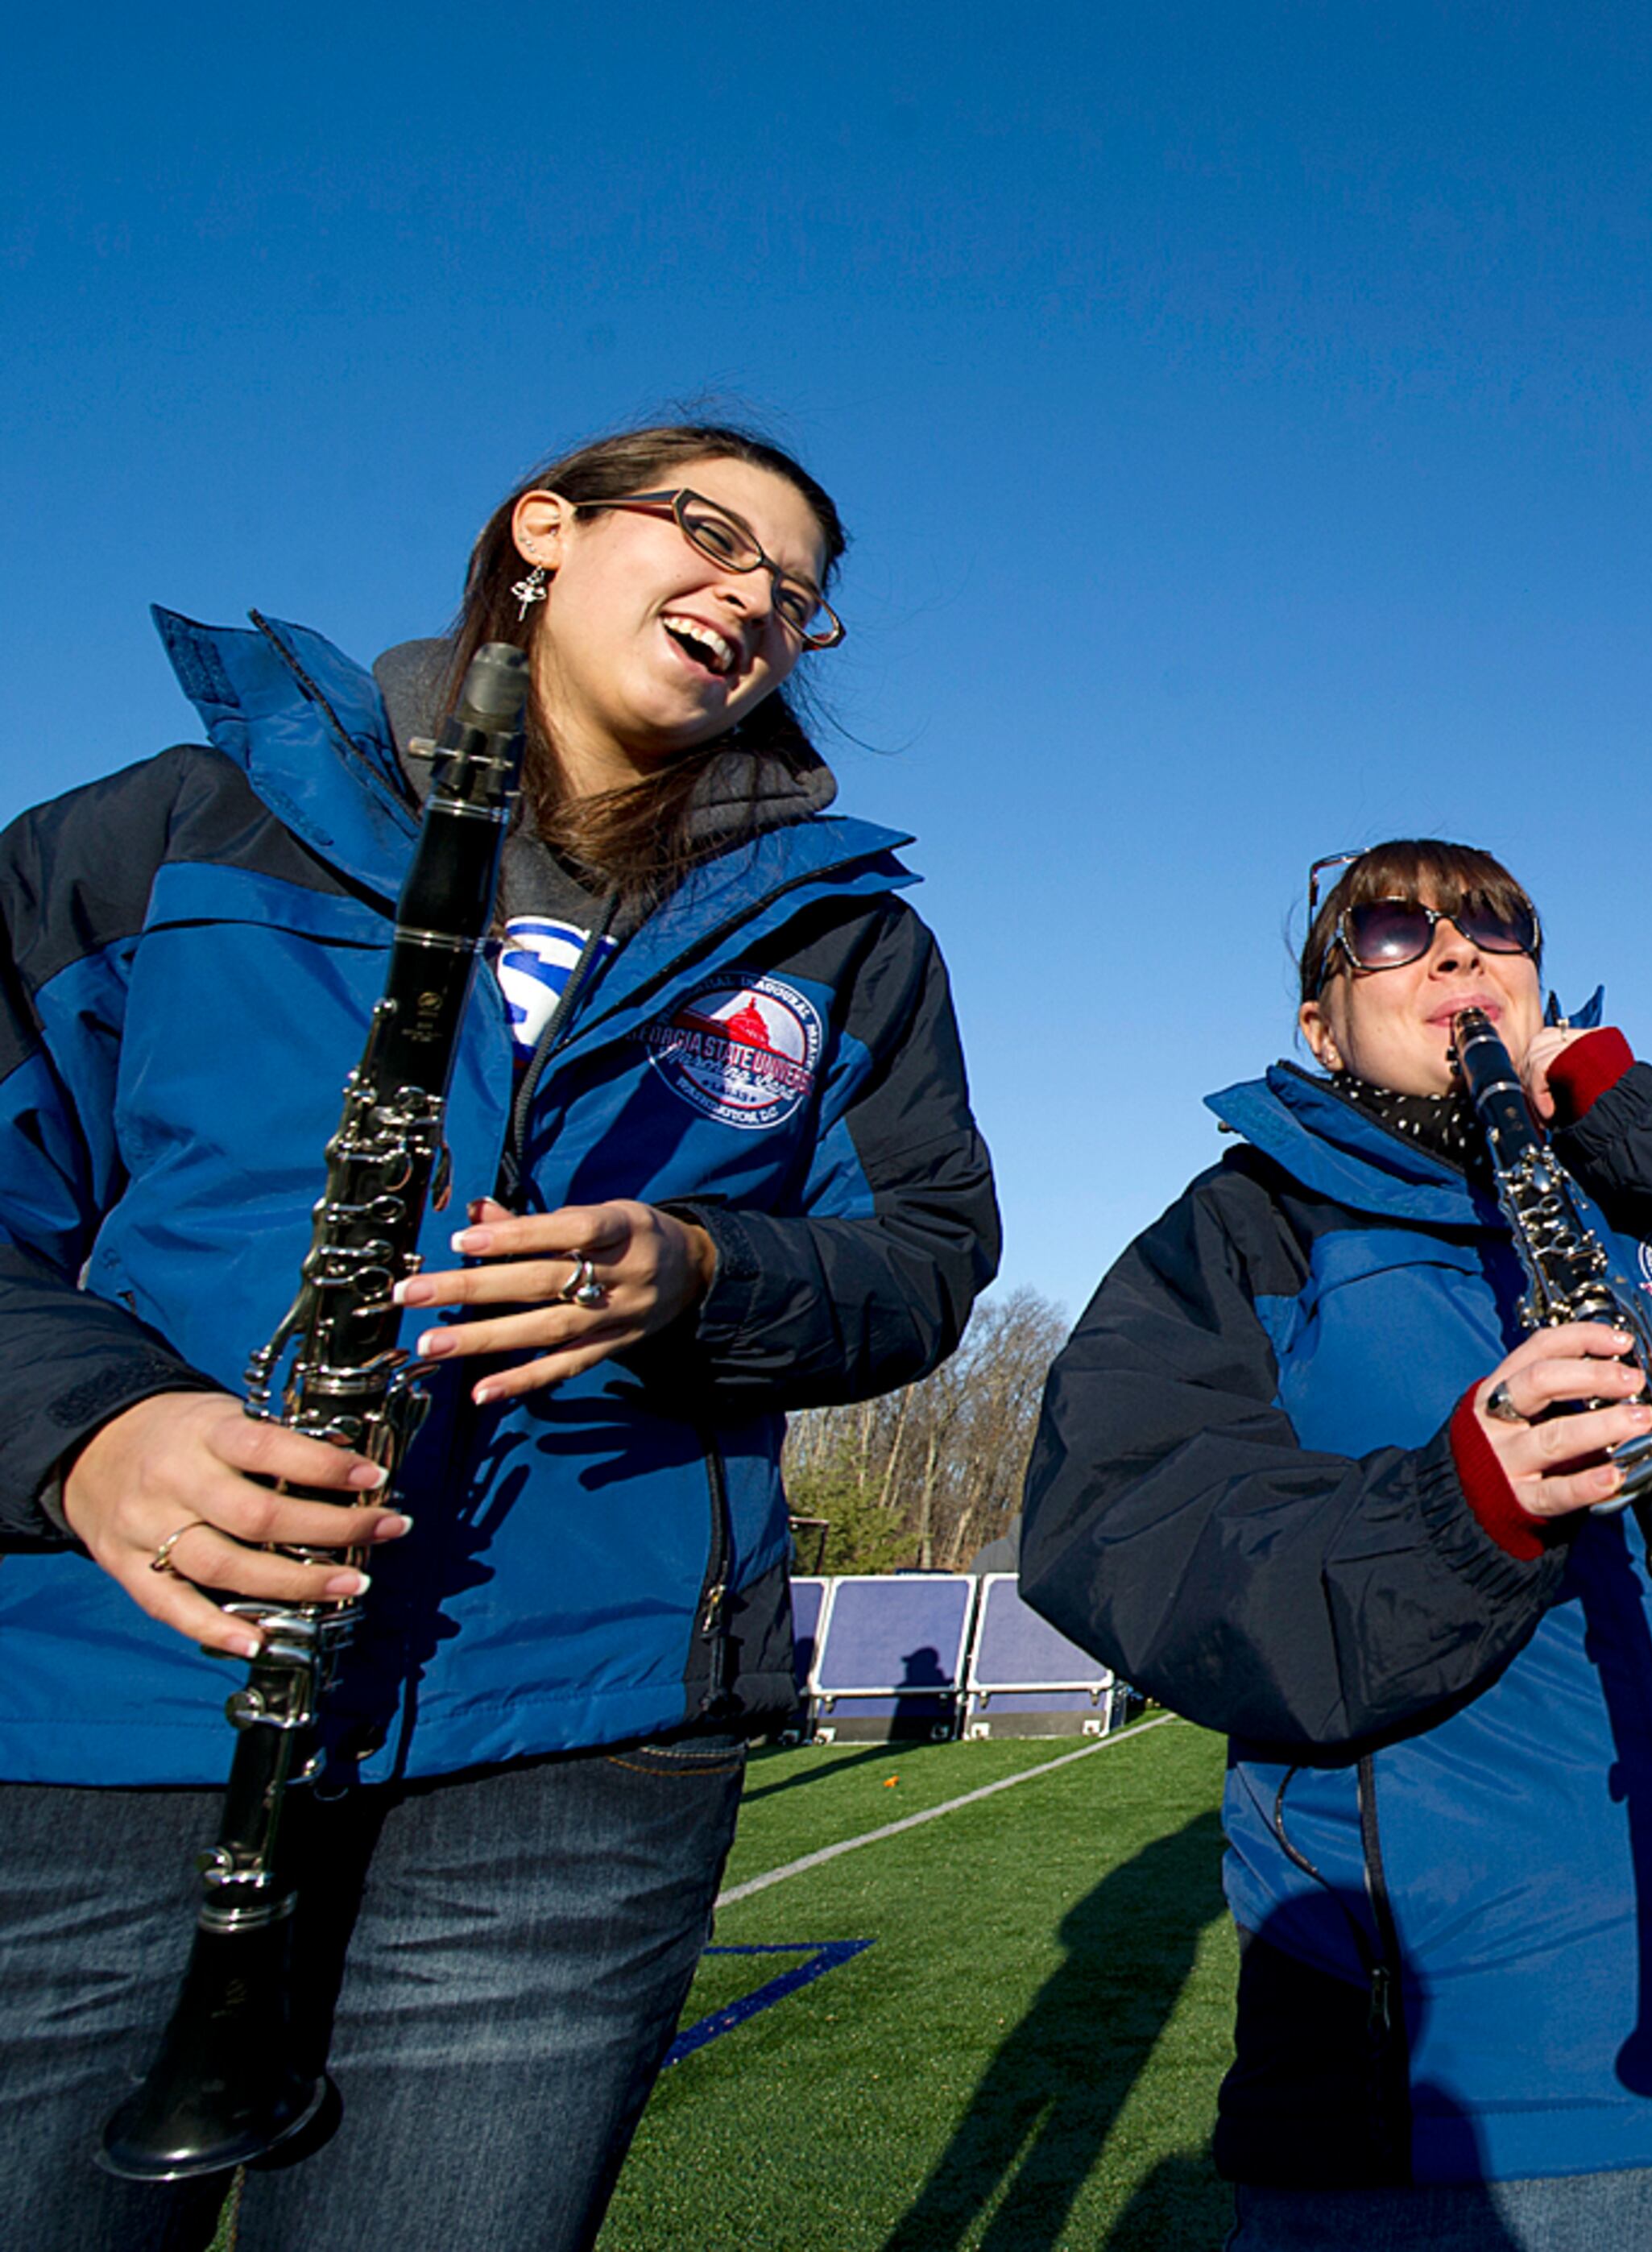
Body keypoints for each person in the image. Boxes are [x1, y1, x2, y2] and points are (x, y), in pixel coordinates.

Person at [0, 424, 1001, 2252]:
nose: (752, 600)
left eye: (796, 595)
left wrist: (703, 1267)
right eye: (708, 534)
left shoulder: (844, 938)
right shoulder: (161, 827)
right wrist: (90, 1436)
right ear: (544, 529)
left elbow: (928, 1260)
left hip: (574, 1752)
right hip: (98, 1715)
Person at [1018, 839, 1652, 2250]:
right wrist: (1461, 1507)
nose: (1454, 952)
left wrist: (1629, 1110)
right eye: (1389, 930)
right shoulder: (1246, 1233)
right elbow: (1127, 1541)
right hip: (1477, 2125)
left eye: (1496, 924)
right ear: (1319, 1021)